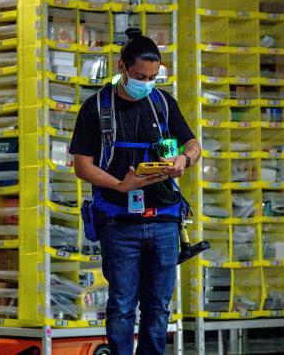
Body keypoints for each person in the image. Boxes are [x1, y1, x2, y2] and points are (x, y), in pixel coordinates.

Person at [69, 28, 201, 355]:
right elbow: (81, 165)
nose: (147, 83)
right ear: (121, 68)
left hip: (164, 223)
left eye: (154, 76)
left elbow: (195, 145)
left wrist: (184, 159)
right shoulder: (96, 108)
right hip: (119, 223)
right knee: (122, 308)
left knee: (158, 309)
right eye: (140, 76)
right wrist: (119, 185)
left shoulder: (162, 104)